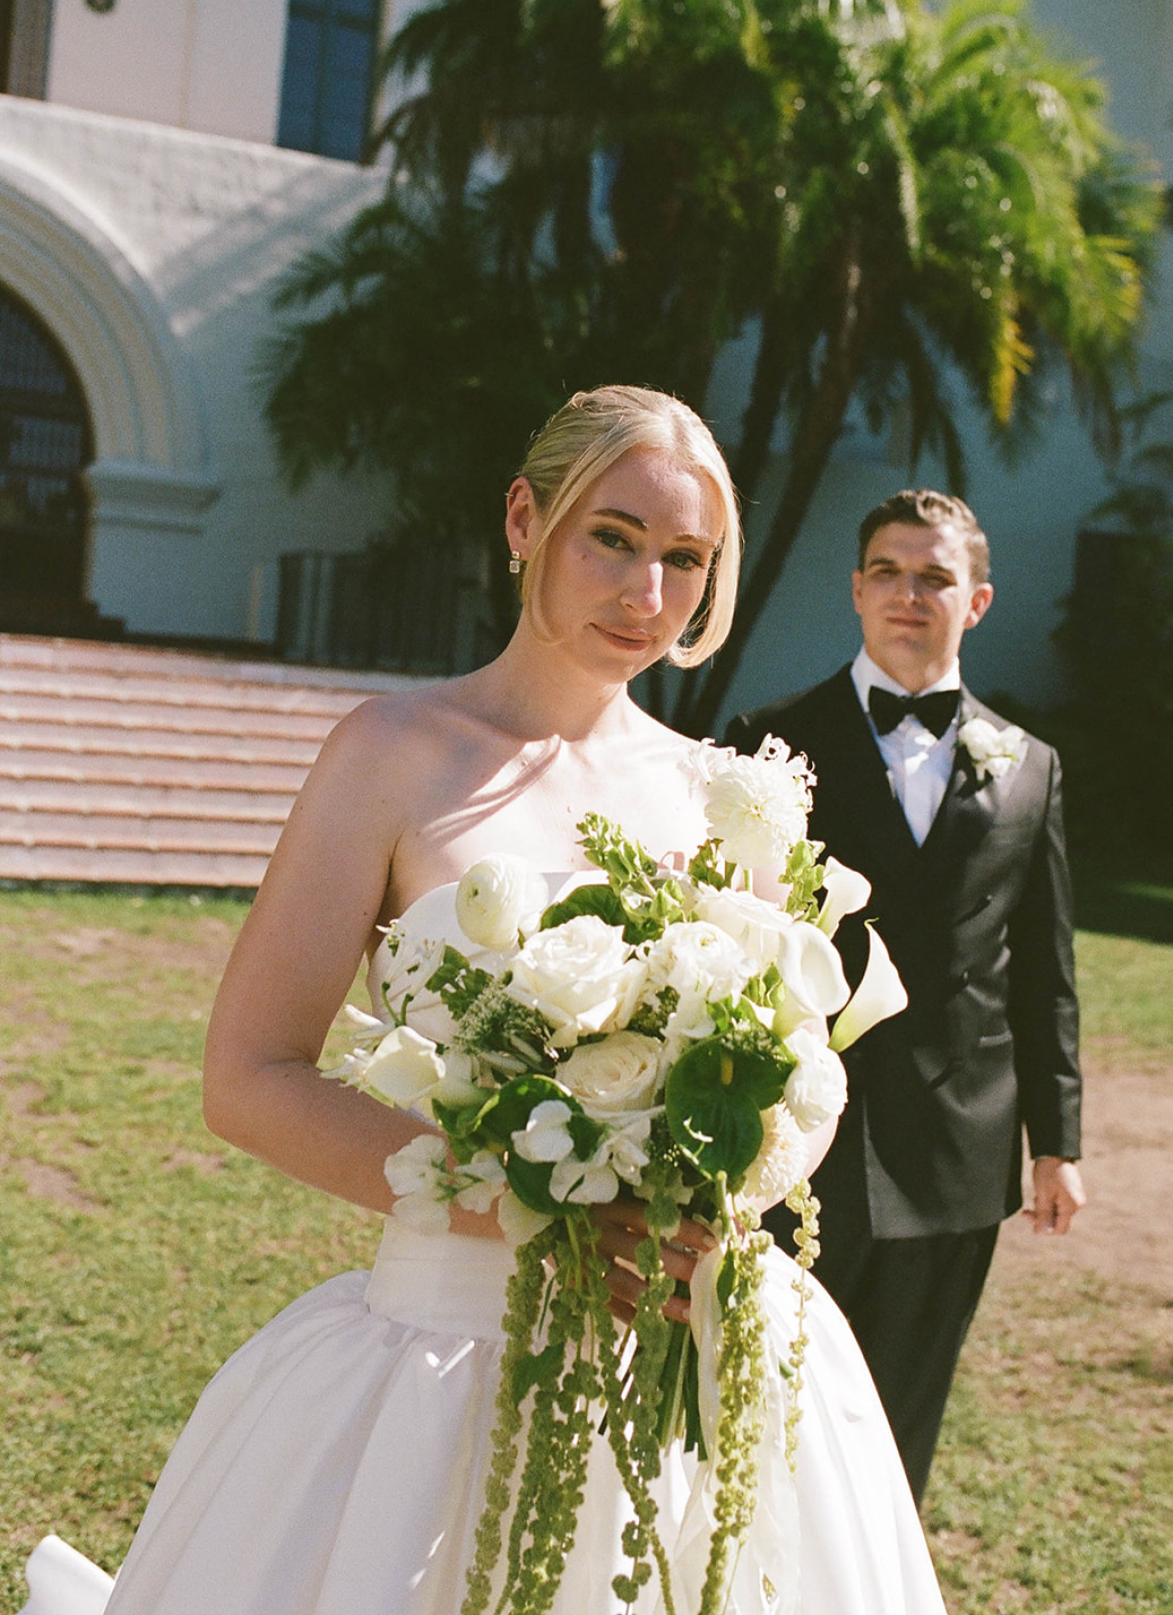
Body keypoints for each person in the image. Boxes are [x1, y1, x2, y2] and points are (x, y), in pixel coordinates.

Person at [25, 392, 947, 1615]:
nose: (649, 592)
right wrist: (524, 1203)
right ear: (524, 520)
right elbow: (249, 1076)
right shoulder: (392, 754)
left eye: (686, 558)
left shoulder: (730, 795)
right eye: (612, 537)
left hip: (688, 1344)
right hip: (446, 1340)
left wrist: (729, 1193)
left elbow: (802, 1077)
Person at [724, 488, 1085, 1506]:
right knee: (764, 1411)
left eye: (934, 577)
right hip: (800, 1140)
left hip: (959, 1147)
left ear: (976, 602)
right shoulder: (770, 743)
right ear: (855, 590)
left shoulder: (1031, 767)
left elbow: (1045, 968)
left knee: (897, 1433)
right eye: (886, 571)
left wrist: (1058, 1142)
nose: (907, 594)